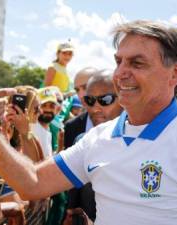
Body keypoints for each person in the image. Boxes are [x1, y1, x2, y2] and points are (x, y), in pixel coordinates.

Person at [0, 20, 177, 225]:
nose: (121, 74)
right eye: (119, 61)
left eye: (137, 63)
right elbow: (33, 183)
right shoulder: (97, 139)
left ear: (175, 73)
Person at [64, 71, 123, 224]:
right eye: (90, 100)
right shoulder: (82, 140)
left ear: (123, 99)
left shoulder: (143, 143)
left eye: (105, 100)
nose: (96, 108)